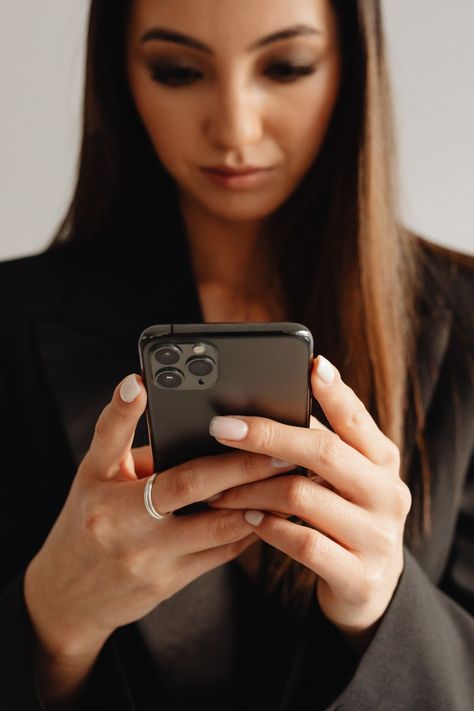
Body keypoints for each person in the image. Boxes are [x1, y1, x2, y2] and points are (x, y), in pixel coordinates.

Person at [0, 0, 473, 709]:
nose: (236, 129)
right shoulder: (12, 318)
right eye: (179, 70)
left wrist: (385, 604)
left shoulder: (464, 320)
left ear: (353, 65)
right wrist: (53, 619)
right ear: (118, 73)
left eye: (286, 66)